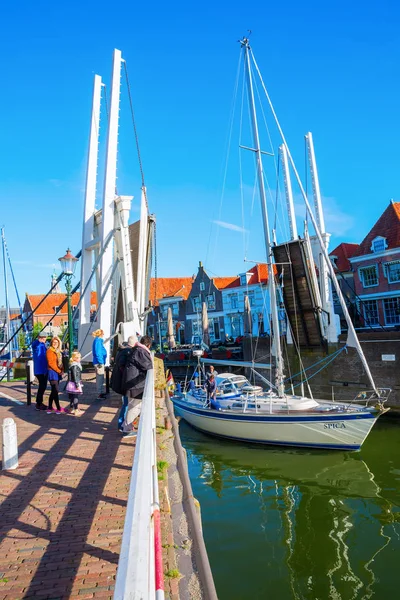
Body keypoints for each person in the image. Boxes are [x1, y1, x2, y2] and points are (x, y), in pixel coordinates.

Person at [121, 335, 153, 437]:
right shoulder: (141, 352)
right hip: (135, 385)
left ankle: (126, 425)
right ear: (148, 345)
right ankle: (126, 428)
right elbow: (148, 366)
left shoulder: (137, 350)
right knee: (136, 406)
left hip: (132, 383)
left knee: (132, 405)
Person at [111, 341, 132, 432]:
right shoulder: (126, 352)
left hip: (119, 381)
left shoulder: (121, 351)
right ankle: (122, 424)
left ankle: (122, 423)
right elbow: (122, 365)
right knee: (126, 404)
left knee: (126, 403)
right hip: (123, 382)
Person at [46, 336, 63, 414]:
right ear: (51, 343)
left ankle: (50, 407)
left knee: (53, 391)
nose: (55, 344)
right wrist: (59, 370)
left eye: (57, 342)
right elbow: (51, 363)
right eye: (54, 342)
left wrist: (61, 370)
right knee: (55, 390)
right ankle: (58, 408)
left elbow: (60, 363)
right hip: (53, 372)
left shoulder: (58, 351)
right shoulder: (50, 351)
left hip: (57, 372)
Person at [32, 333, 48, 411]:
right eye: (42, 337)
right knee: (42, 386)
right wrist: (38, 341)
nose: (43, 339)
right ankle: (38, 403)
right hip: (39, 369)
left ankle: (39, 402)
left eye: (44, 337)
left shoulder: (44, 345)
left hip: (44, 369)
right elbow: (34, 345)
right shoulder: (37, 345)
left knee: (43, 386)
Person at [92, 329, 107, 400]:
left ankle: (100, 392)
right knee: (100, 378)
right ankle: (99, 394)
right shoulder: (98, 341)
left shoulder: (97, 341)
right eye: (103, 334)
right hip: (99, 363)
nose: (103, 335)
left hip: (98, 362)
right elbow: (98, 352)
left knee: (100, 378)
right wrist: (101, 362)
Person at [66, 351, 83, 415]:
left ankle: (71, 408)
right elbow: (75, 376)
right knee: (75, 396)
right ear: (75, 358)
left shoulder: (73, 365)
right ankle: (76, 409)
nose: (80, 359)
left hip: (72, 382)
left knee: (73, 396)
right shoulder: (75, 366)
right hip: (75, 383)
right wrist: (77, 384)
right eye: (78, 357)